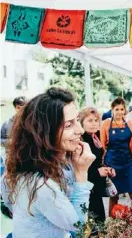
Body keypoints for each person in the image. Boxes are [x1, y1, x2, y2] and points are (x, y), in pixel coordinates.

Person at [1, 87, 95, 238]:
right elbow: (79, 229)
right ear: (45, 133)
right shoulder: (42, 186)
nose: (81, 130)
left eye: (77, 119)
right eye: (68, 125)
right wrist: (82, 173)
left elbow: (9, 202)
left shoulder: (19, 165)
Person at [100, 97, 132, 216]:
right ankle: (112, 223)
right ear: (112, 109)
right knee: (114, 196)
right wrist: (102, 165)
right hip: (112, 164)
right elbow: (102, 146)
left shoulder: (129, 123)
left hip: (127, 163)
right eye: (117, 109)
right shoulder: (106, 123)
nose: (119, 112)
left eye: (122, 109)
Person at [79, 107, 115, 222]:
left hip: (96, 186)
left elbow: (97, 161)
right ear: (81, 122)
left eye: (96, 120)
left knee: (99, 220)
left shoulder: (95, 137)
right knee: (91, 222)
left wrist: (107, 168)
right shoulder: (81, 141)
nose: (94, 124)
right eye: (90, 121)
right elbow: (76, 168)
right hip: (86, 187)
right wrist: (97, 172)